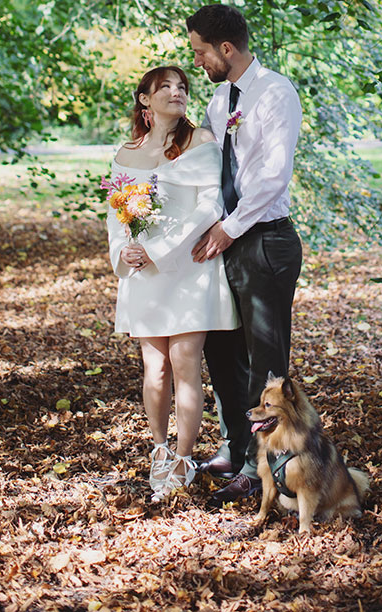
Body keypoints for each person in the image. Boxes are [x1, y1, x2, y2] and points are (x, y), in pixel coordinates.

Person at [186, 3, 303, 504]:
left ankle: (266, 472)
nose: (198, 61)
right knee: (221, 348)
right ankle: (236, 447)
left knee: (266, 363)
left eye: (200, 51)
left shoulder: (275, 93)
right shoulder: (219, 101)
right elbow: (214, 168)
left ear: (226, 49)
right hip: (228, 241)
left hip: (265, 240)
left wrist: (228, 230)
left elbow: (271, 177)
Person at [107, 65, 238, 501]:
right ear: (144, 99)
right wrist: (123, 252)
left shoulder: (199, 141)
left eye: (182, 87)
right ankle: (159, 450)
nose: (176, 93)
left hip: (186, 267)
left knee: (184, 362)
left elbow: (210, 206)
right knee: (154, 367)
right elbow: (116, 212)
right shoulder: (126, 151)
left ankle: (185, 457)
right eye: (164, 87)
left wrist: (161, 252)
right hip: (142, 272)